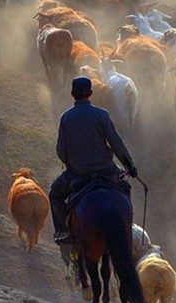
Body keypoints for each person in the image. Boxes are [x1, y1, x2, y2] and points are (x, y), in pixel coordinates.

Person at [49, 76, 137, 244]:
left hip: (77, 173)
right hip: (106, 170)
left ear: (72, 94)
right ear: (90, 93)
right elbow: (116, 143)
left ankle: (63, 231)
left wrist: (69, 161)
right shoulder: (102, 115)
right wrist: (129, 165)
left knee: (55, 195)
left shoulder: (66, 118)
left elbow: (61, 150)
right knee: (125, 188)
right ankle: (126, 226)